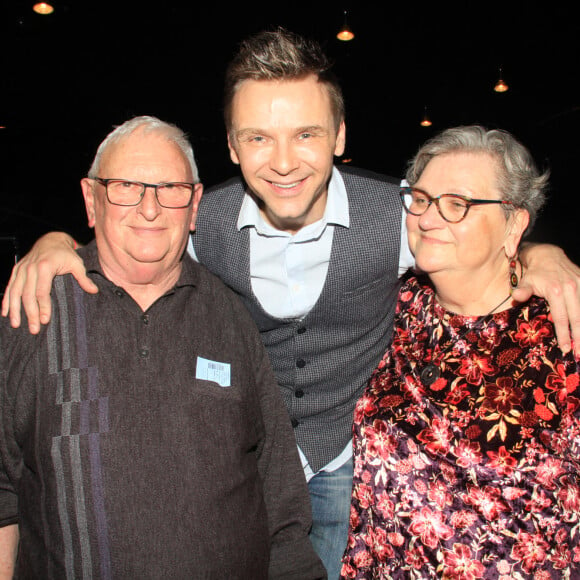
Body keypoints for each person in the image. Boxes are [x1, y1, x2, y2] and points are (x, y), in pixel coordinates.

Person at [2, 29, 580, 579]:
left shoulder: (400, 215)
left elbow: (466, 232)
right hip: (248, 473)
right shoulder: (207, 223)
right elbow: (136, 229)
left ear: (341, 136)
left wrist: (540, 253)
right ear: (230, 145)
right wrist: (55, 245)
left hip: (351, 471)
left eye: (306, 134)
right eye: (258, 137)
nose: (283, 162)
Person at [0, 116, 325, 579]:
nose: (149, 209)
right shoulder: (33, 311)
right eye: (126, 186)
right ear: (91, 201)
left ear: (194, 206)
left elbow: (279, 492)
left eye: (170, 189)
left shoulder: (232, 317)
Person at [340, 126, 580, 579]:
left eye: (458, 204)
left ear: (515, 223)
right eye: (424, 199)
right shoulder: (395, 304)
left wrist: (540, 253)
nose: (429, 218)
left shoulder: (563, 332)